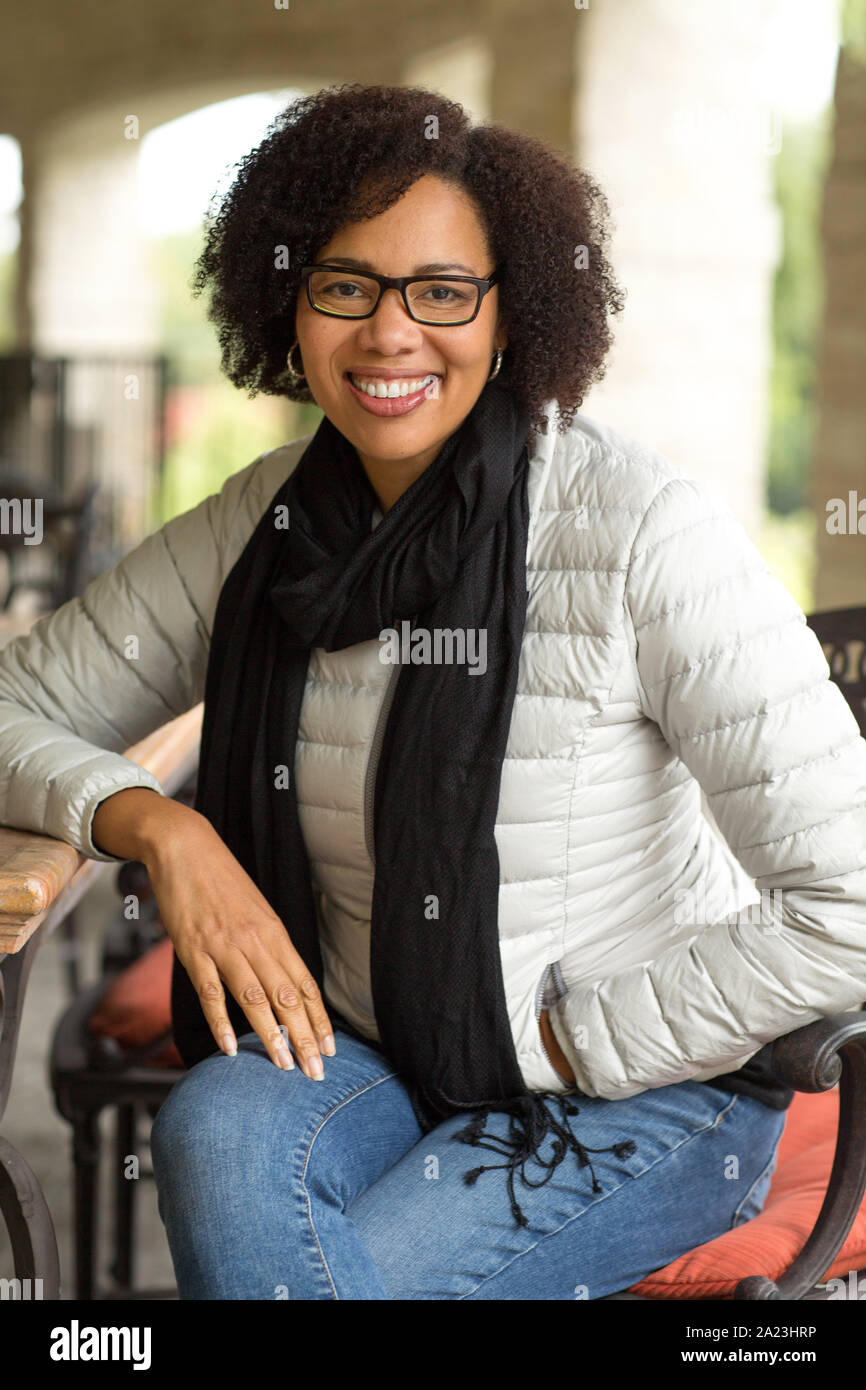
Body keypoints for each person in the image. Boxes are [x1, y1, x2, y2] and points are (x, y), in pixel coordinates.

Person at [1, 82, 865, 1301]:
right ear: (287, 304)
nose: (389, 332)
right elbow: (11, 702)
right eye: (344, 285)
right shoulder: (264, 523)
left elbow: (849, 901)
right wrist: (152, 821)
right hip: (368, 1054)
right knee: (216, 1120)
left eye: (441, 292)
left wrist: (571, 1039)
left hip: (639, 1096)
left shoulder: (638, 532)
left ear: (512, 314)